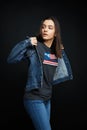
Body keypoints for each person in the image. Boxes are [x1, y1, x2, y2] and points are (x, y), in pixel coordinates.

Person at [7, 16, 73, 130]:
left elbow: (58, 73)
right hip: (34, 99)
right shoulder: (34, 47)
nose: (45, 29)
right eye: (43, 27)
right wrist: (26, 43)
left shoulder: (56, 51)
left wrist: (61, 51)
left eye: (50, 27)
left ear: (56, 33)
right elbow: (11, 59)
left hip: (47, 99)